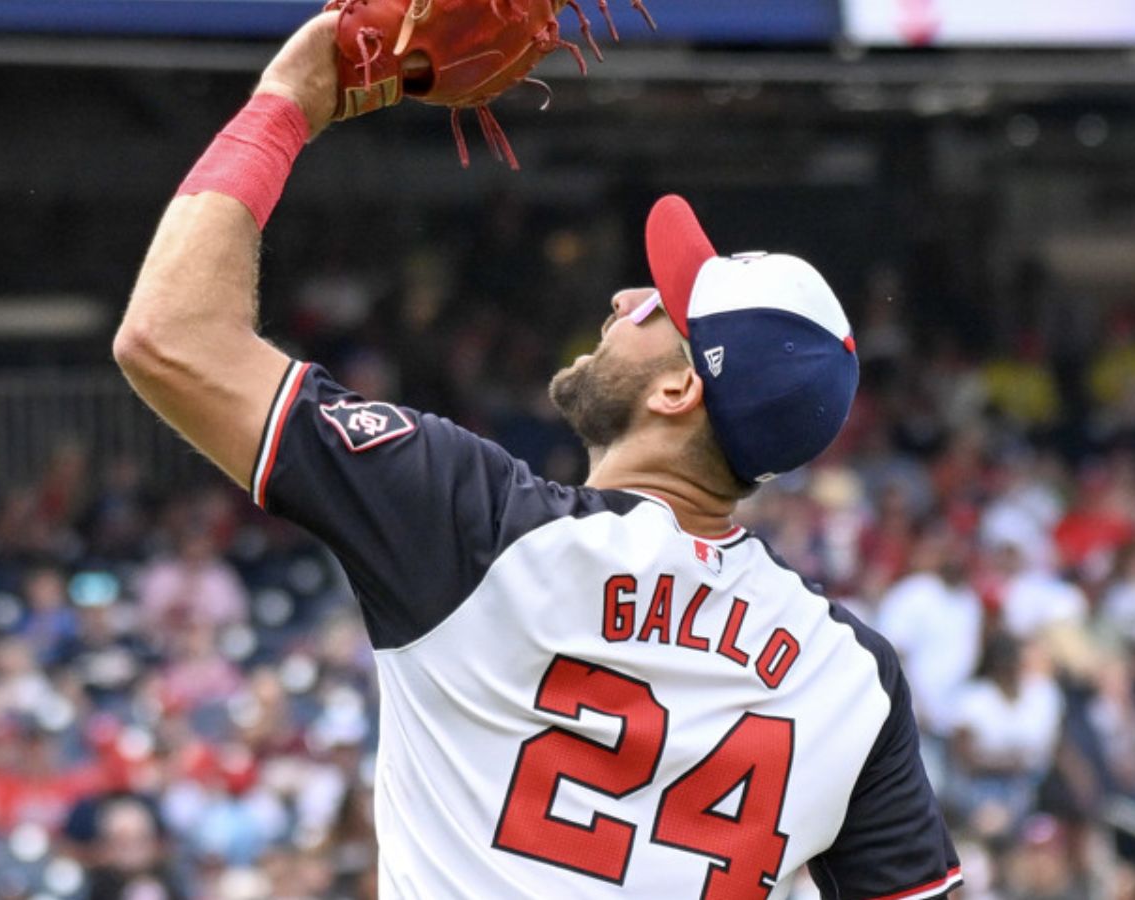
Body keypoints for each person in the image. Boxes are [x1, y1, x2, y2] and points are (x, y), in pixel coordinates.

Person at [114, 13, 961, 898]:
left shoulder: (480, 525)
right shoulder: (852, 676)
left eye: (657, 307)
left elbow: (170, 338)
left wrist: (286, 102)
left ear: (678, 391)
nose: (626, 294)